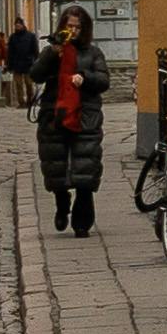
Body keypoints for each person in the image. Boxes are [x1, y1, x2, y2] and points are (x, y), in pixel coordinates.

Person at [38, 14, 104, 235]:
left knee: (85, 167)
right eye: (69, 26)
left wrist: (85, 77)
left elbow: (104, 80)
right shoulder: (53, 51)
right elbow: (35, 74)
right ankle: (61, 202)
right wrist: (52, 55)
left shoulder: (93, 53)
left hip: (85, 116)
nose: (73, 30)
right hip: (55, 115)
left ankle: (82, 221)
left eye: (77, 27)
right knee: (55, 165)